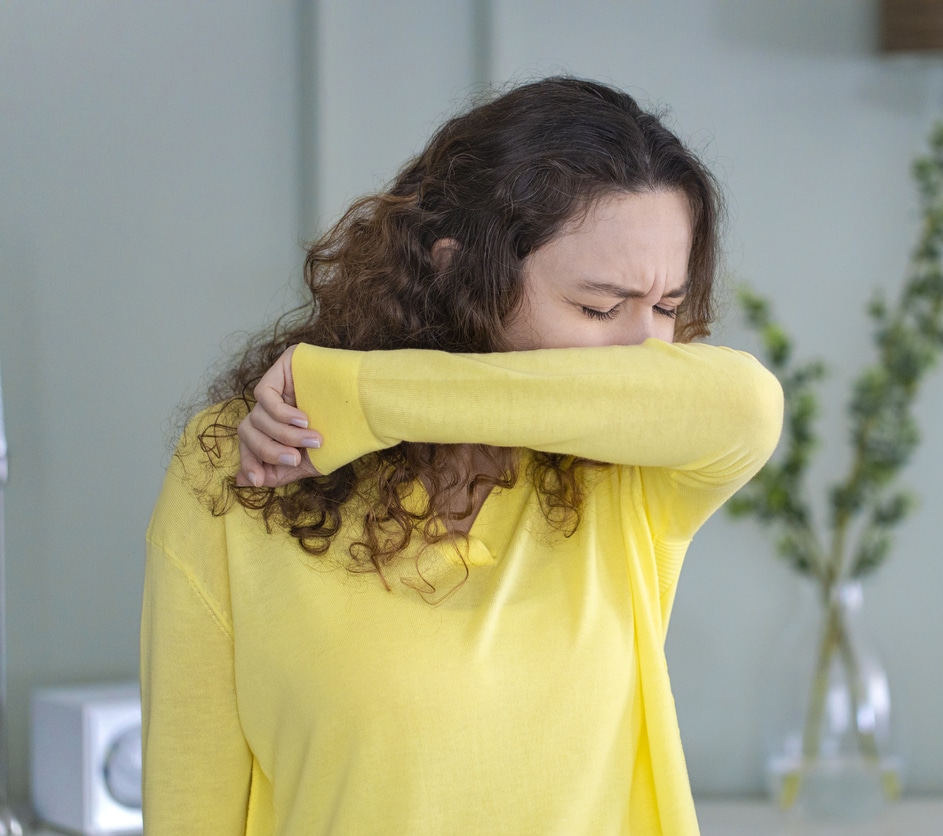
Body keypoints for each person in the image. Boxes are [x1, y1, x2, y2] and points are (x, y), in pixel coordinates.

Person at [142, 76, 783, 835]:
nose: (647, 352)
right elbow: (192, 803)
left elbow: (745, 403)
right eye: (600, 308)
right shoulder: (243, 459)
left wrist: (366, 396)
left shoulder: (630, 471)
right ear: (459, 275)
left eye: (668, 309)